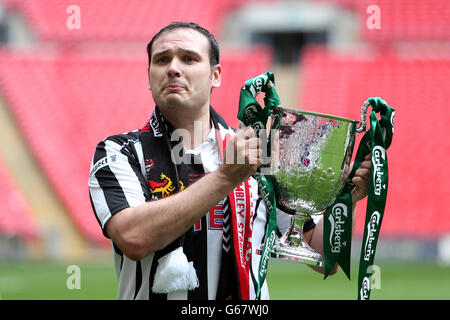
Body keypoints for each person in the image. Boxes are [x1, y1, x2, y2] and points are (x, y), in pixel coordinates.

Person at [88, 22, 371, 300]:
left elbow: (323, 258)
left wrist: (346, 201)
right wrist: (225, 178)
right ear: (149, 76)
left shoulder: (257, 153)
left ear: (215, 75)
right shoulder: (119, 152)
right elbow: (133, 238)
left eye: (189, 58)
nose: (173, 68)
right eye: (162, 60)